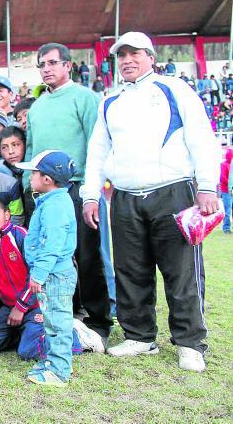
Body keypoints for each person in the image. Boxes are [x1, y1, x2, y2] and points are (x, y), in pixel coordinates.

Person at [81, 31, 218, 373]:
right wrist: (90, 195)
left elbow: (201, 136)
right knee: (130, 270)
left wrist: (208, 186)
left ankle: (189, 343)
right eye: (121, 55)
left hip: (172, 190)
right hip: (125, 196)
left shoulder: (175, 89)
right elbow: (97, 153)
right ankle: (140, 336)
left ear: (151, 57)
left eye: (134, 54)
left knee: (181, 270)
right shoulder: (109, 101)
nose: (127, 60)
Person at [26, 42, 112, 345]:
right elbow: (32, 149)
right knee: (55, 255)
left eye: (52, 63)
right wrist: (29, 186)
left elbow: (97, 145)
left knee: (87, 255)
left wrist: (93, 190)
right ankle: (68, 312)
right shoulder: (36, 106)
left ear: (68, 65)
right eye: (41, 64)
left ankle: (99, 319)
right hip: (42, 193)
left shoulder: (86, 98)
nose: (46, 69)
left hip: (76, 187)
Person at [0, 195, 103, 362]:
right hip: (11, 306)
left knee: (27, 352)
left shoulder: (20, 235)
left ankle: (75, 335)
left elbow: (36, 273)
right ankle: (30, 332)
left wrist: (21, 307)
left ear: (7, 215)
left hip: (36, 303)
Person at [14, 150, 80, 385]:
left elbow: (51, 245)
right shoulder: (52, 201)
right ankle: (54, 361)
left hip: (54, 275)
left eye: (33, 173)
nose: (30, 178)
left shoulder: (55, 206)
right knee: (52, 319)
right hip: (52, 273)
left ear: (47, 179)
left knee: (57, 322)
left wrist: (39, 274)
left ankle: (60, 371)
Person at [222, 148, 233, 233]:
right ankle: (226, 228)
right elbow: (223, 178)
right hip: (226, 191)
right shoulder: (224, 164)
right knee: (228, 210)